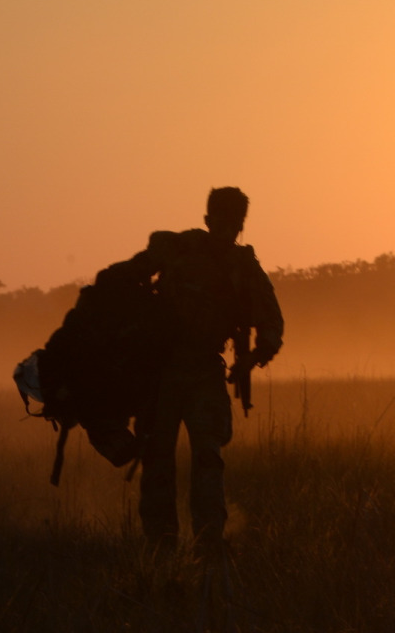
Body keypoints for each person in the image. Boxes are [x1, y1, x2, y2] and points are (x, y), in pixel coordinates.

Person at [97, 186, 283, 553]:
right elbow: (126, 274)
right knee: (157, 457)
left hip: (204, 372)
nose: (229, 229)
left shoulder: (243, 266)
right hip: (161, 372)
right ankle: (160, 543)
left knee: (209, 458)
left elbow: (272, 323)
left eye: (236, 223)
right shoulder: (176, 249)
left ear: (242, 225)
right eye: (223, 221)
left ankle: (209, 539)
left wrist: (249, 359)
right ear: (208, 220)